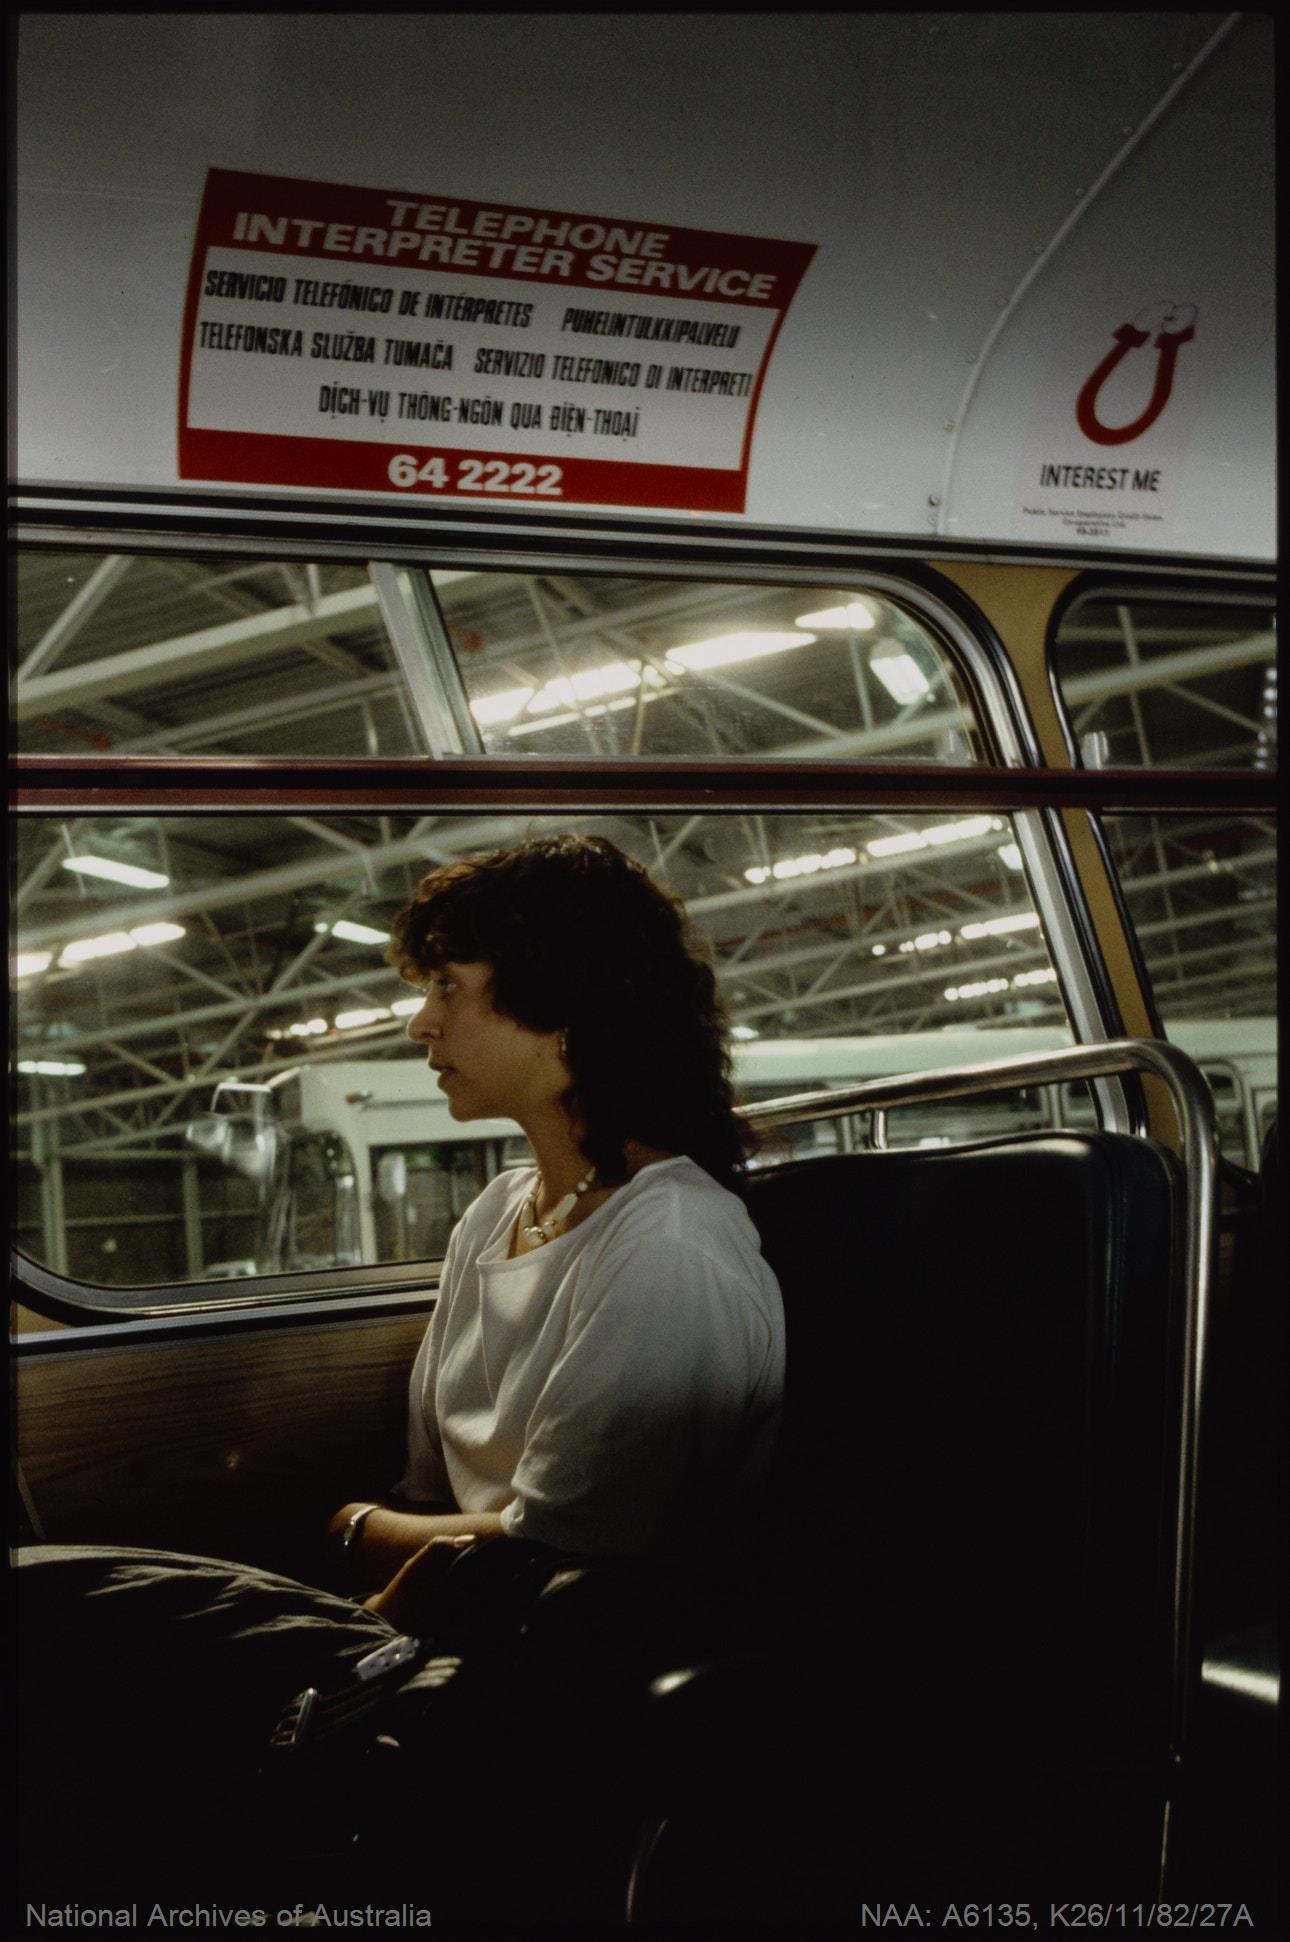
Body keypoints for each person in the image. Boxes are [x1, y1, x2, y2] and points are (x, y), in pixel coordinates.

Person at [332, 832, 786, 1634]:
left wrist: (352, 1530)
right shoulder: (495, 1213)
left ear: (560, 1008)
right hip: (450, 1620)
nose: (420, 1024)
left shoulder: (668, 1244)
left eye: (447, 986)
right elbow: (430, 1491)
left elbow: (560, 1554)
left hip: (561, 1651)